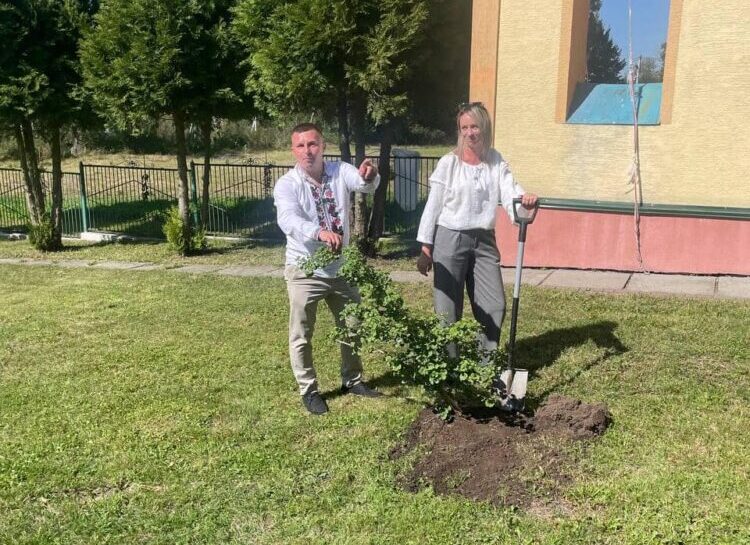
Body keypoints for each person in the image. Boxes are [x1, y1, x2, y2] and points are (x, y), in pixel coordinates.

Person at [274, 123, 383, 415]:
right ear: (293, 150)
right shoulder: (287, 184)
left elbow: (363, 183)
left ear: (322, 146)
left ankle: (353, 380)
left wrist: (370, 177)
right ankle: (308, 390)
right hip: (304, 270)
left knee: (352, 325)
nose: (307, 151)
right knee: (301, 334)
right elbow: (288, 219)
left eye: (313, 144)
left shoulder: (339, 171)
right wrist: (319, 233)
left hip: (341, 268)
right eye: (301, 146)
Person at [416, 102, 538, 359]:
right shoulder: (449, 163)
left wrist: (523, 202)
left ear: (484, 127)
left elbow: (510, 190)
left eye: (474, 126)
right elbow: (433, 205)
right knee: (447, 312)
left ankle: (486, 367)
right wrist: (426, 246)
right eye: (464, 128)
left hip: (483, 241)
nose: (470, 133)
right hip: (450, 238)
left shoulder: (494, 160)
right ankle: (449, 371)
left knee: (494, 305)